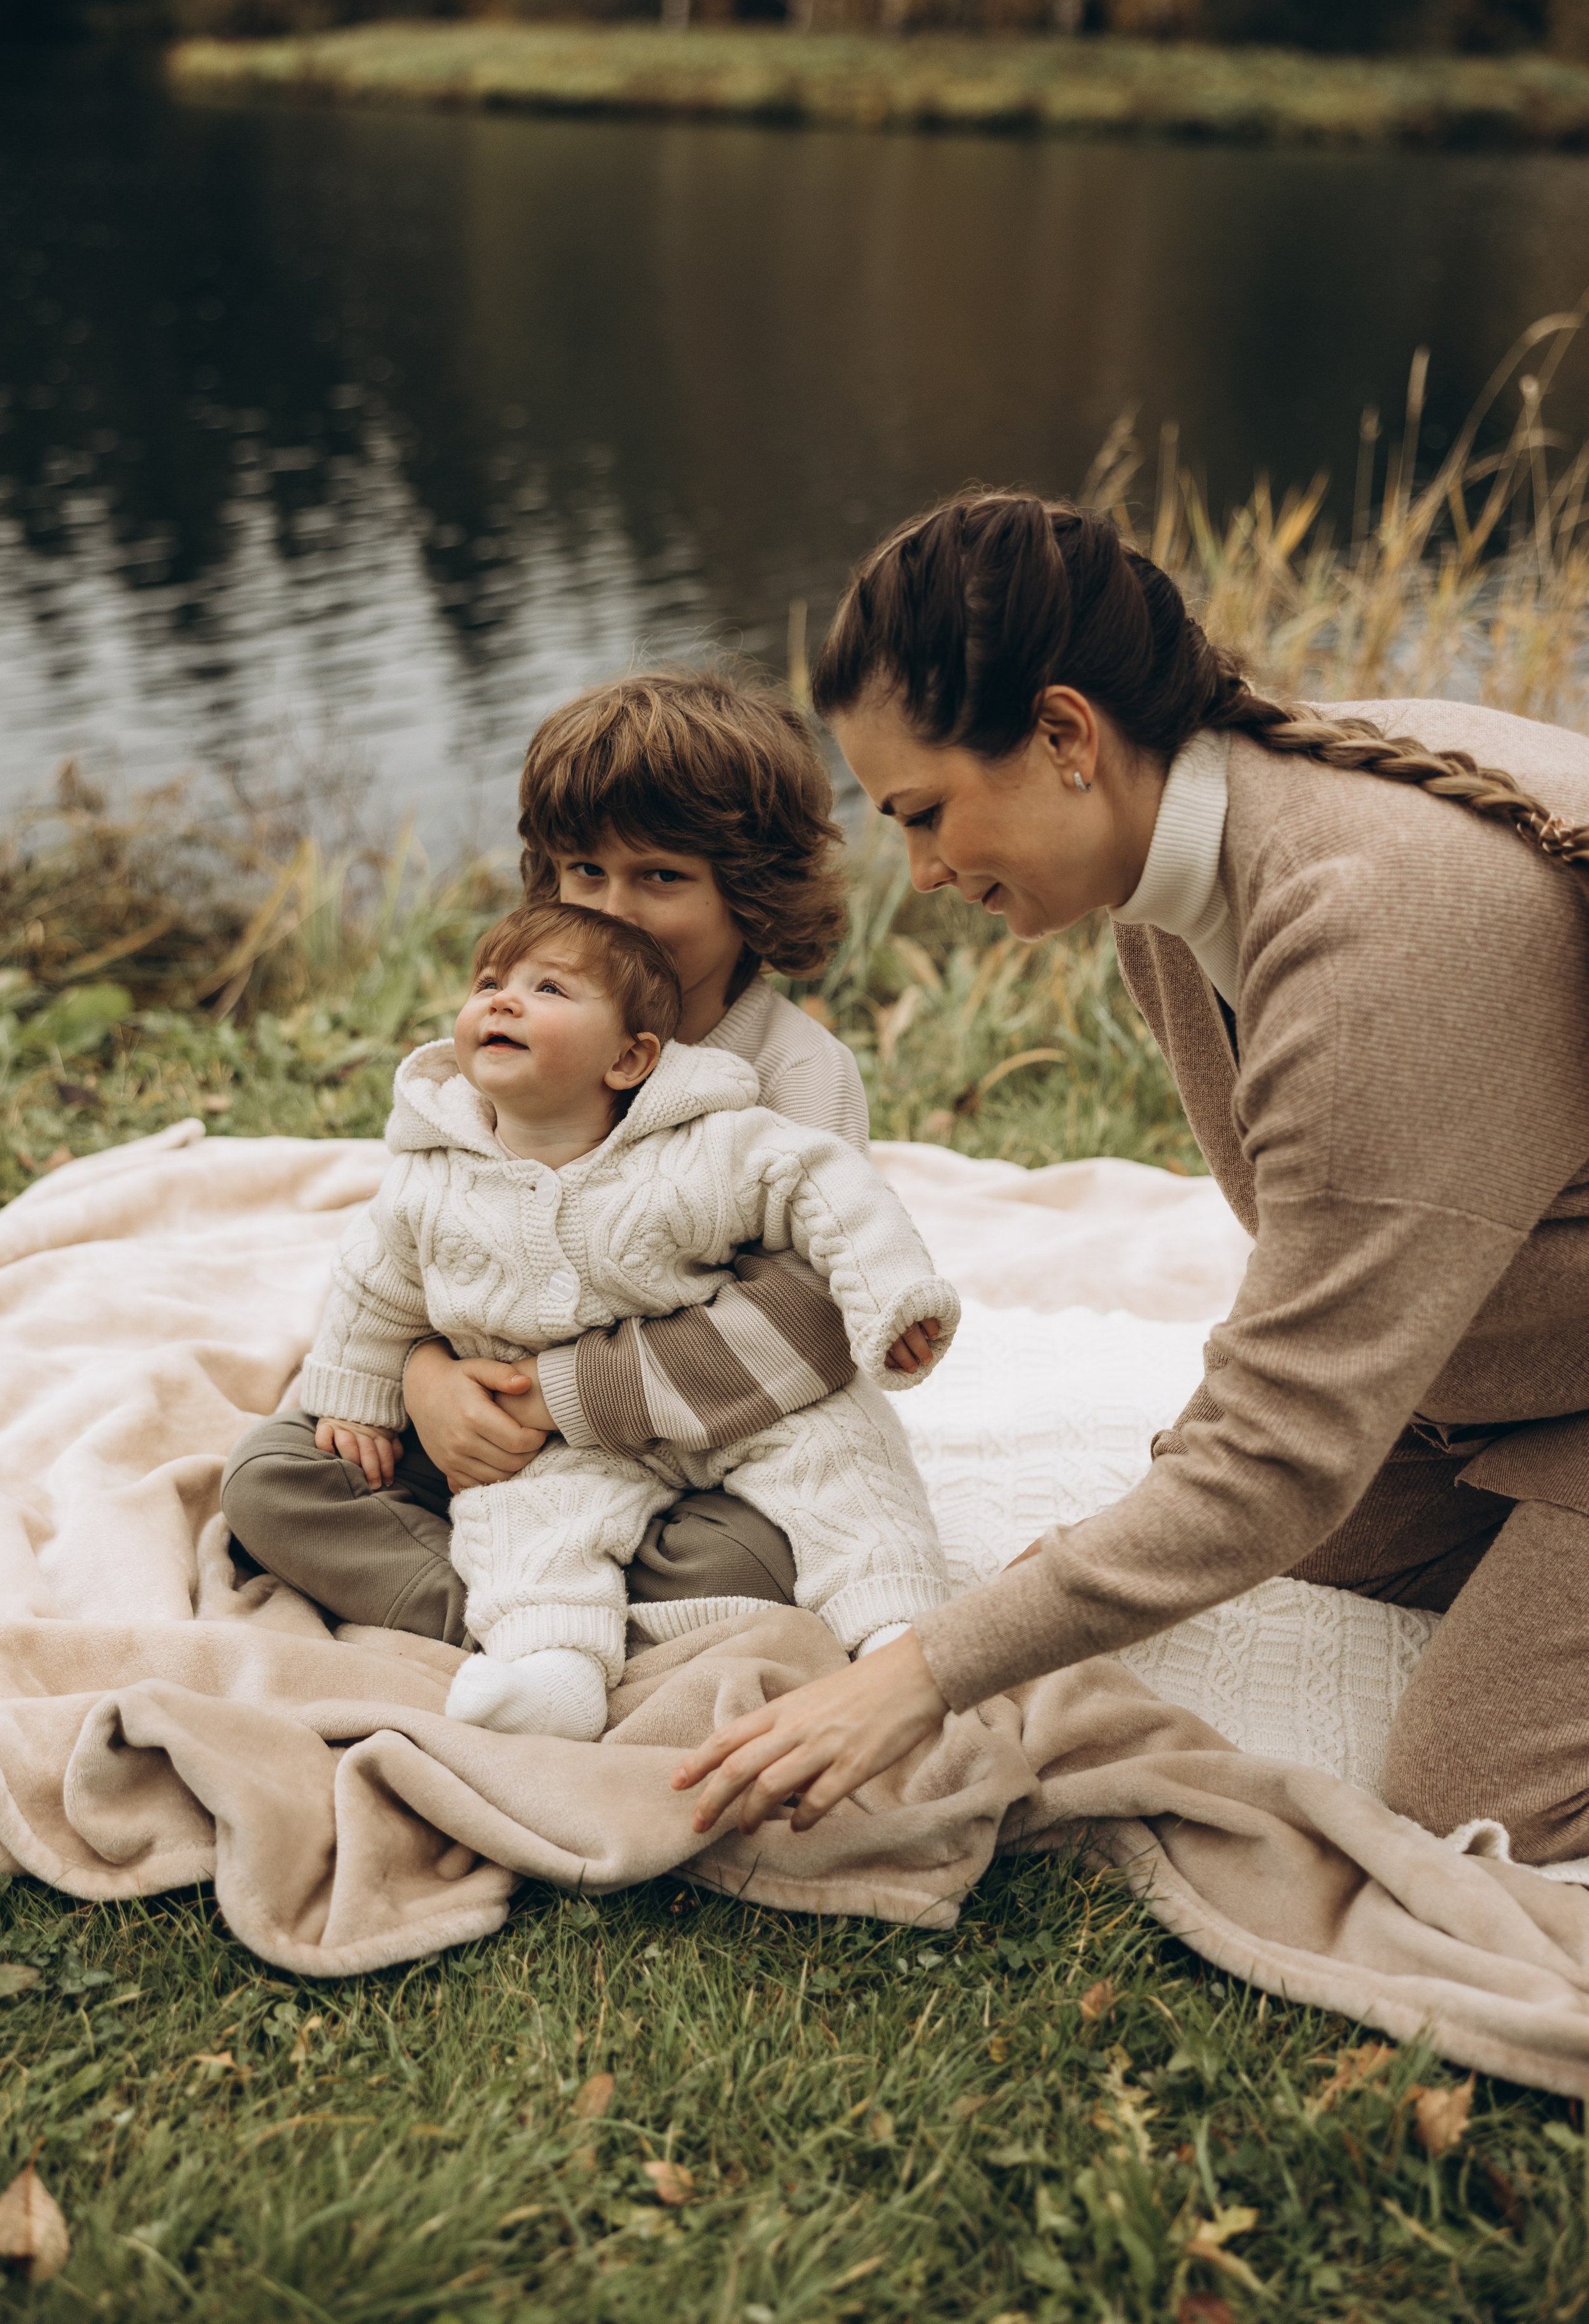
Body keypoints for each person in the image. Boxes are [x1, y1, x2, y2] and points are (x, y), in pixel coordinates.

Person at [673, 489, 1589, 1867]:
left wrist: (916, 1672)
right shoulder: (1177, 882)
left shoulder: (1380, 937)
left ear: (1061, 736)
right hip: (1513, 1370)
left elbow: (1274, 1454)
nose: (917, 872)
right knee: (1294, 1543)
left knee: (1475, 1800)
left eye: (924, 815)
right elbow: (1298, 1392)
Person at [222, 671, 915, 1649]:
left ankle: (546, 1626)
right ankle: (532, 1621)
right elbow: (421, 1242)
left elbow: (810, 1318)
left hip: (711, 1445)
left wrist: (565, 1400)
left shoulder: (791, 1073)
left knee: (751, 1553)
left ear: (750, 893)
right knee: (271, 1479)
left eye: (661, 877)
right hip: (501, 1430)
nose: (614, 910)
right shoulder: (525, 1036)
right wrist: (425, 1381)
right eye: (584, 871)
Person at [274, 900, 956, 1738]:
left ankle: (894, 1632)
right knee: (522, 1523)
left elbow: (826, 1189)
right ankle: (551, 1671)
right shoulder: (432, 1176)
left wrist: (891, 1297)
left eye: (549, 989)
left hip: (744, 1410)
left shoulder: (702, 1145)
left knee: (847, 1474)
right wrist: (365, 1395)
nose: (502, 1001)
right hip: (563, 1448)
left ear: (630, 1059)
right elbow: (374, 1287)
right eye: (489, 983)